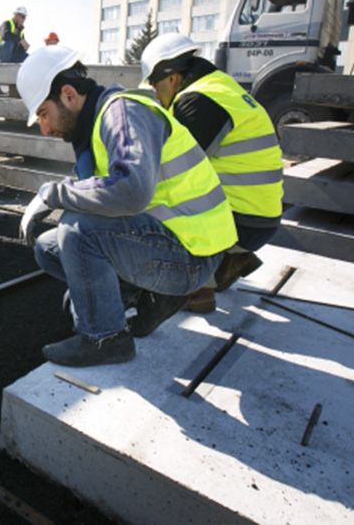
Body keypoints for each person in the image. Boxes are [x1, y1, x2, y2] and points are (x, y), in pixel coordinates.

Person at [17, 46, 237, 367]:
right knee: (48, 247)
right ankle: (139, 298)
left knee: (77, 230)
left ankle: (105, 340)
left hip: (194, 255)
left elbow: (130, 190)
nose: (45, 129)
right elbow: (100, 192)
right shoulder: (98, 124)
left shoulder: (122, 113)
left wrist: (53, 194)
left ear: (67, 95)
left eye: (43, 114)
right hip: (172, 240)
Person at [140, 34, 283, 312]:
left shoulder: (198, 101)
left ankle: (196, 288)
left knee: (153, 200)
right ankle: (230, 260)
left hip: (242, 222)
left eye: (155, 87)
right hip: (261, 216)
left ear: (171, 77)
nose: (156, 96)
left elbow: (170, 172)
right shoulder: (225, 88)